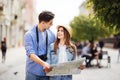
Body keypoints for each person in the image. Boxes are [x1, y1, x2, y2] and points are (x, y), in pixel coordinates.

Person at [24, 11, 55, 80]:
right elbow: (31, 54)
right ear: (43, 23)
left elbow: (57, 50)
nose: (52, 25)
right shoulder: (29, 35)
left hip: (46, 72)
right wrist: (44, 64)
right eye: (50, 23)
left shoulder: (52, 35)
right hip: (32, 72)